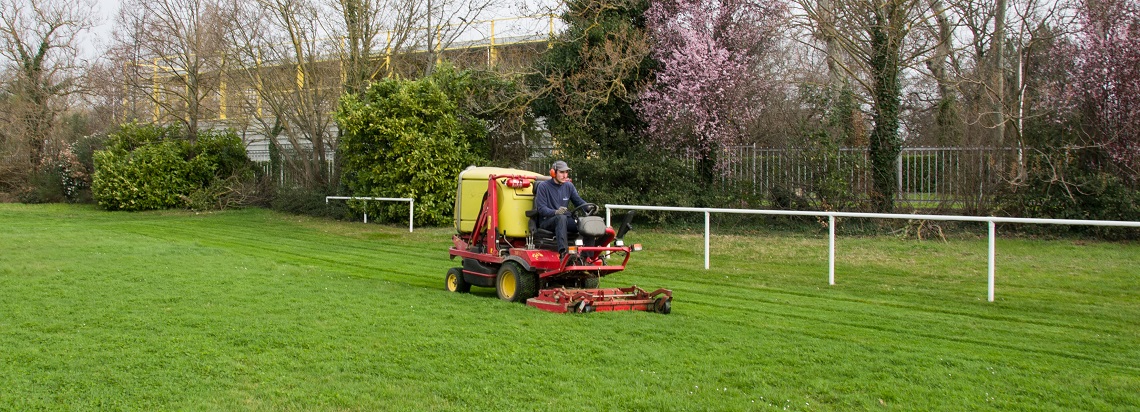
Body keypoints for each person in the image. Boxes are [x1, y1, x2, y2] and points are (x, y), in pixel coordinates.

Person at [534, 160, 588, 257]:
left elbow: (578, 201)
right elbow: (541, 209)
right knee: (561, 218)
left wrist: (589, 207)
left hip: (564, 219)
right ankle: (564, 253)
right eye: (562, 172)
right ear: (553, 173)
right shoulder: (543, 187)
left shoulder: (569, 186)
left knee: (585, 223)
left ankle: (588, 255)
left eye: (566, 172)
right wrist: (555, 212)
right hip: (547, 221)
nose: (565, 175)